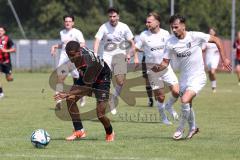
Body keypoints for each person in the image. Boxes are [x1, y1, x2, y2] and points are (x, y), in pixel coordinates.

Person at [152, 14, 231, 140]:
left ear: (183, 26)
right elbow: (165, 63)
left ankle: (180, 128)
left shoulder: (195, 36)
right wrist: (156, 69)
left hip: (198, 76)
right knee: (188, 104)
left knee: (184, 100)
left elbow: (217, 40)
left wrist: (224, 58)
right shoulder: (170, 42)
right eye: (172, 27)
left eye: (176, 27)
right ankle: (193, 128)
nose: (174, 30)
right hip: (184, 78)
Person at [54, 41, 115, 142]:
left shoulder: (90, 63)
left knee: (100, 114)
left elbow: (87, 88)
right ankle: (79, 130)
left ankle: (109, 132)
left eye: (73, 55)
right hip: (86, 76)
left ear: (79, 52)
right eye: (69, 55)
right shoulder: (76, 54)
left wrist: (67, 93)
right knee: (70, 99)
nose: (71, 58)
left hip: (102, 79)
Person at [135, 12, 179, 125]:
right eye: (146, 22)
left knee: (176, 91)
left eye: (149, 21)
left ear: (157, 22)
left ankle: (169, 106)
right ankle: (163, 117)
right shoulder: (144, 35)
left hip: (166, 67)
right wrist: (131, 55)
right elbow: (136, 47)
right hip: (153, 70)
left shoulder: (165, 34)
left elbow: (172, 46)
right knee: (161, 96)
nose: (147, 23)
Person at [93, 7, 137, 114]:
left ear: (118, 16)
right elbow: (97, 40)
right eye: (110, 17)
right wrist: (95, 54)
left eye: (114, 16)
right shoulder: (104, 27)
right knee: (105, 79)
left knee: (120, 81)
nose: (112, 18)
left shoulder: (124, 27)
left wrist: (134, 56)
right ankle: (103, 100)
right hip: (107, 55)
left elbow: (132, 42)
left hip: (120, 55)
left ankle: (113, 100)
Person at [51, 15, 86, 108]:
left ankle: (81, 96)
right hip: (63, 58)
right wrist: (55, 46)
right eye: (66, 21)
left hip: (74, 59)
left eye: (70, 21)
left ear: (73, 23)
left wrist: (73, 45)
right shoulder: (62, 32)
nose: (67, 23)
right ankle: (58, 100)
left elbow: (83, 44)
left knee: (77, 79)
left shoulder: (77, 32)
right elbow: (63, 45)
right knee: (60, 78)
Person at [202, 28, 220, 92]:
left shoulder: (217, 40)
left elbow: (221, 48)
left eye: (212, 31)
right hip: (208, 58)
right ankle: (213, 86)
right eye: (210, 31)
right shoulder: (206, 40)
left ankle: (214, 85)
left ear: (215, 32)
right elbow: (203, 49)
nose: (211, 32)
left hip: (215, 57)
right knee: (210, 73)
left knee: (212, 72)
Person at [0, 25, 15, 99]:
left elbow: (14, 50)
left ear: (4, 32)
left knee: (9, 79)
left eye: (1, 31)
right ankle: (1, 93)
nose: (0, 32)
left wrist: (5, 50)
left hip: (6, 62)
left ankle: (9, 76)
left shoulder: (8, 39)